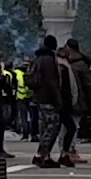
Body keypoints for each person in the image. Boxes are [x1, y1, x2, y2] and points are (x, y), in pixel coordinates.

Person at [30, 36, 63, 168]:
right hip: (48, 97)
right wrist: (58, 99)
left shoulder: (38, 58)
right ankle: (42, 155)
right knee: (52, 126)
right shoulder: (48, 60)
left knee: (45, 126)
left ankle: (44, 155)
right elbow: (51, 81)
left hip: (39, 97)